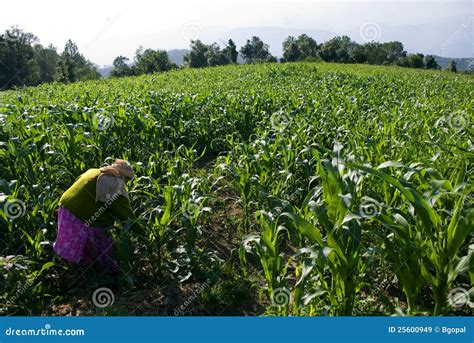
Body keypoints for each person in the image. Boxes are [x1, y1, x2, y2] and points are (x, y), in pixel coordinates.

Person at [53, 159, 136, 273]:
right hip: (81, 213)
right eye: (127, 179)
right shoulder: (115, 185)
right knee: (100, 243)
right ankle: (104, 271)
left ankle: (75, 266)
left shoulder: (95, 171)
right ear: (123, 175)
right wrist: (144, 235)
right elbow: (126, 216)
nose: (127, 182)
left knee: (75, 243)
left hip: (65, 206)